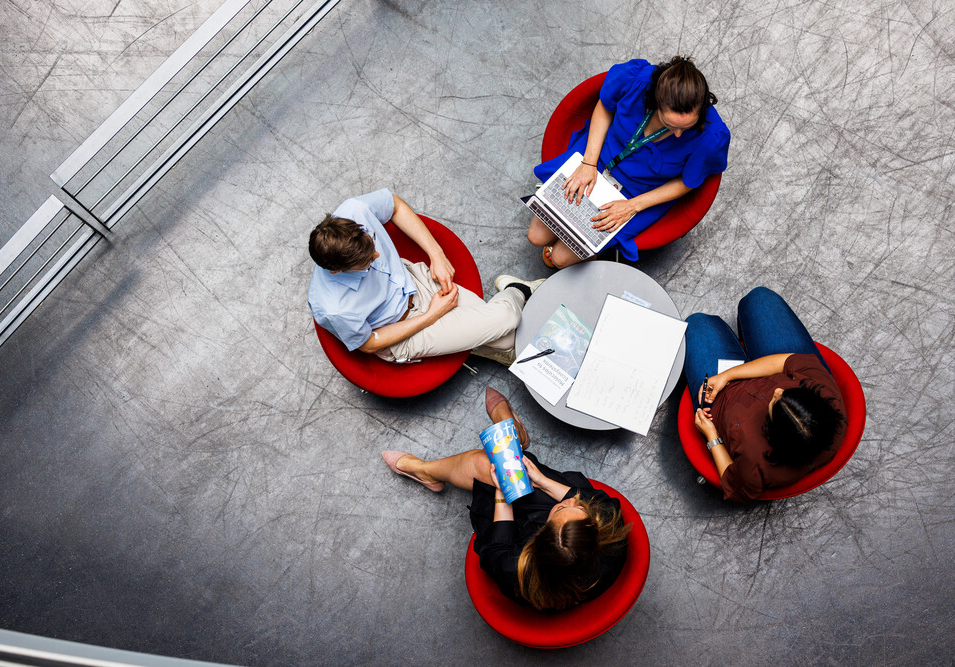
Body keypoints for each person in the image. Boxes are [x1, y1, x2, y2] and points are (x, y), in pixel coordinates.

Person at [381, 388, 631, 612]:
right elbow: (591, 499)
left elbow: (497, 548)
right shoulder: (608, 531)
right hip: (557, 542)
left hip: (512, 537)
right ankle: (513, 435)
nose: (572, 502)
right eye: (579, 510)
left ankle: (425, 471)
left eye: (560, 511)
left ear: (540, 535)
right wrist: (542, 480)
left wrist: (501, 494)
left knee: (486, 466)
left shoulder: (517, 568)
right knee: (514, 470)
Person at [529, 56, 730, 267]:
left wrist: (631, 206)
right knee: (536, 236)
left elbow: (687, 182)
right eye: (670, 124)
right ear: (656, 104)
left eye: (686, 127)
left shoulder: (710, 137)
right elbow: (605, 107)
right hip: (596, 159)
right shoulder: (635, 80)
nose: (679, 135)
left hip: (637, 194)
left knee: (560, 258)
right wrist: (588, 163)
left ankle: (593, 250)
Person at [308, 188, 543, 365]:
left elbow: (395, 205)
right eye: (368, 261)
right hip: (398, 331)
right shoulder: (333, 308)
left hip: (415, 281)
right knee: (507, 323)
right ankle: (519, 290)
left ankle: (474, 340)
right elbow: (369, 344)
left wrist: (436, 255)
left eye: (373, 245)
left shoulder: (353, 211)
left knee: (505, 340)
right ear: (336, 270)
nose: (378, 256)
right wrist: (432, 315)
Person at [683, 287, 847, 503]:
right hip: (766, 370)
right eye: (787, 392)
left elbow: (733, 485)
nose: (777, 391)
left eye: (775, 402)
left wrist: (712, 436)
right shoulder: (826, 397)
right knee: (759, 299)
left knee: (697, 324)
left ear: (773, 433)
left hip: (724, 400)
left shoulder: (755, 465)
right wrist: (728, 375)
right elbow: (784, 361)